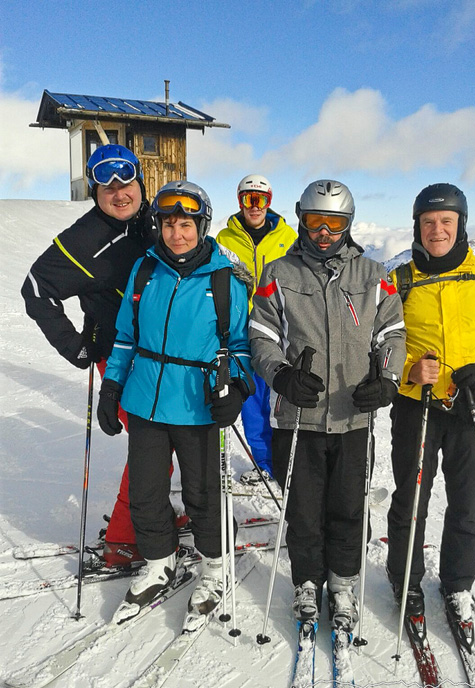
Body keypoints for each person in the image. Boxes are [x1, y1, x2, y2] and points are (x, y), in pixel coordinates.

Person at [249, 179, 406, 628]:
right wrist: (281, 376)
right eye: (316, 221)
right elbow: (262, 335)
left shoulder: (373, 275)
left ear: (348, 224)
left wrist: (388, 379)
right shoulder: (278, 273)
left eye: (334, 223)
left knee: (348, 506)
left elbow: (392, 333)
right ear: (302, 219)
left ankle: (342, 582)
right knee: (302, 508)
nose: (324, 232)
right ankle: (306, 581)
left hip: (352, 416)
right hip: (297, 417)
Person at [96, 180, 253, 617]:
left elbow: (241, 346)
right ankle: (159, 563)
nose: (176, 234)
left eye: (186, 225)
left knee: (203, 494)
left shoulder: (224, 278)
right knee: (146, 491)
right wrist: (112, 387)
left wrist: (238, 388)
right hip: (146, 401)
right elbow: (126, 336)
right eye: (168, 225)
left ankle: (215, 566)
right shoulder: (145, 269)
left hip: (198, 404)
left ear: (202, 226)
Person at [386, 183, 475, 625]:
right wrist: (409, 369)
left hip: (470, 407)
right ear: (417, 227)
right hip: (416, 407)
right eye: (428, 222)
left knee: (467, 503)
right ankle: (405, 579)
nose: (437, 230)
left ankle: (458, 584)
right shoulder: (400, 281)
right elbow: (381, 342)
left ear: (461, 224)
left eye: (446, 221)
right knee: (411, 500)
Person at [21, 144, 158, 568]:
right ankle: (124, 539)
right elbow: (36, 288)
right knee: (151, 448)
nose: (119, 193)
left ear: (140, 183)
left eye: (126, 182)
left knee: (166, 443)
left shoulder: (153, 220)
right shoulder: (84, 239)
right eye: (107, 187)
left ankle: (151, 516)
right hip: (120, 357)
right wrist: (74, 346)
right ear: (95, 192)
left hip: (162, 353)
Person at [217, 175, 297, 484]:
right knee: (251, 402)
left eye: (260, 199)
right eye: (248, 199)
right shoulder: (225, 238)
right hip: (241, 331)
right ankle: (265, 463)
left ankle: (289, 461)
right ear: (239, 201)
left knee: (280, 400)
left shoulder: (287, 237)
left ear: (269, 201)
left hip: (278, 329)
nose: (254, 206)